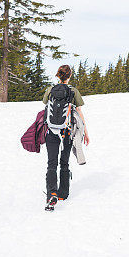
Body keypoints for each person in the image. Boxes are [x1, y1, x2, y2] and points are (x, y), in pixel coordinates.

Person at [43, 64, 89, 208]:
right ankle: (63, 193)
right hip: (66, 133)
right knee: (64, 163)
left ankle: (52, 194)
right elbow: (79, 112)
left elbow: (45, 103)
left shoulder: (50, 90)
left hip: (51, 132)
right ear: (69, 76)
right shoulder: (73, 91)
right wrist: (85, 132)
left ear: (58, 75)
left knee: (51, 164)